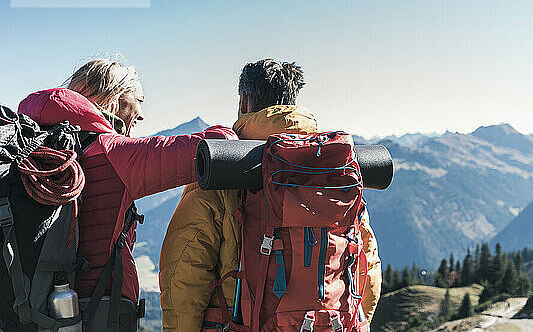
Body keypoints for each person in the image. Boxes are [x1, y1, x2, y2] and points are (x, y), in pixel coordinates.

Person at [159, 59, 382, 331]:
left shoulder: (224, 170)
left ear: (244, 101)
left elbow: (183, 275)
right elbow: (367, 267)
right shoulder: (334, 170)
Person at [17, 59, 236, 327]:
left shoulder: (26, 147)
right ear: (113, 99)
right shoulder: (113, 154)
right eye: (138, 100)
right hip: (95, 313)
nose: (141, 114)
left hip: (25, 309)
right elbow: (217, 147)